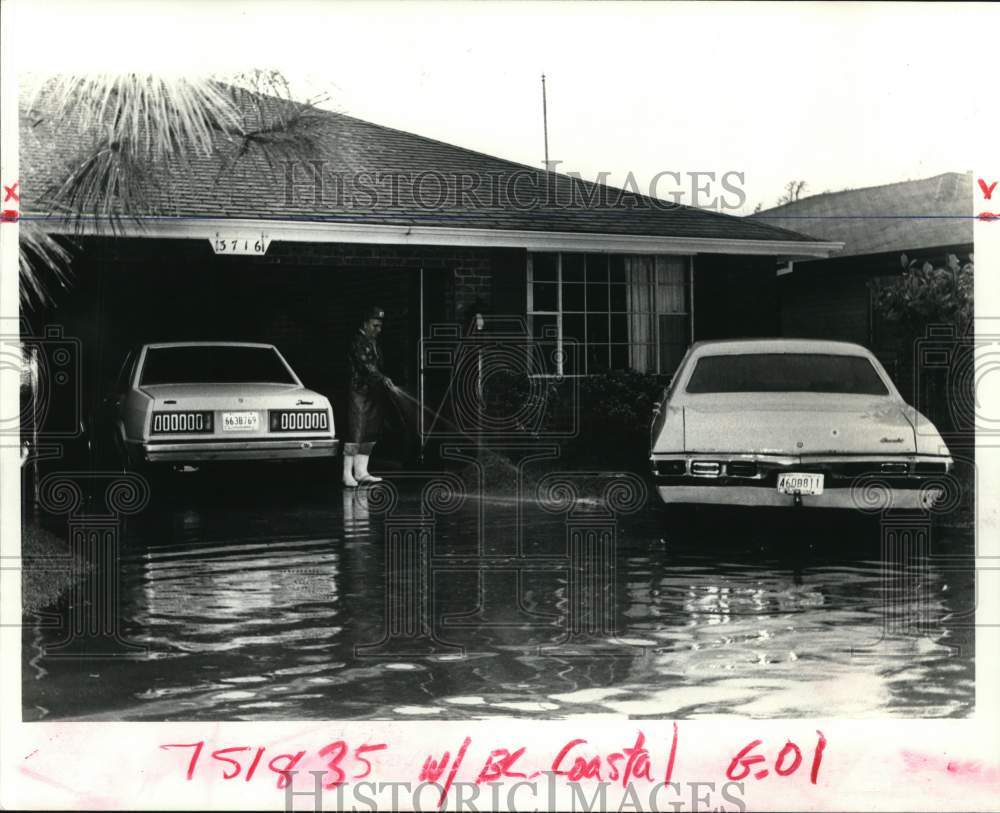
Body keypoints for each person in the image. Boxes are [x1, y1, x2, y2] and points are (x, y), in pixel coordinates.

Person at [343, 305, 393, 487]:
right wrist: (382, 378)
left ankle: (361, 472)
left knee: (370, 431)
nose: (378, 330)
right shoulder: (358, 341)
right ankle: (347, 473)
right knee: (355, 430)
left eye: (380, 326)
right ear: (365, 323)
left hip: (372, 392)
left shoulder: (374, 342)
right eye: (374, 325)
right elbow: (366, 365)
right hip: (358, 390)